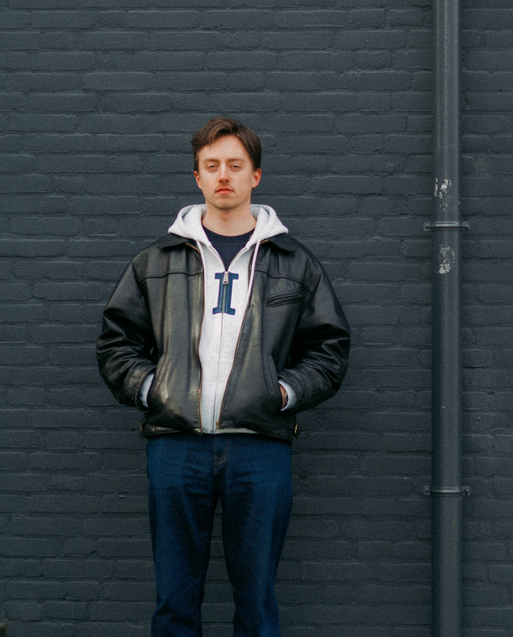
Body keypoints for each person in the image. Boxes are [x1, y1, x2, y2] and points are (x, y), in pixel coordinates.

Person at [96, 116, 350, 637]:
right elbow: (116, 343)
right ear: (197, 177)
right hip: (175, 446)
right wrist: (154, 389)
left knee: (256, 604)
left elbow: (329, 349)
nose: (223, 175)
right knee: (174, 603)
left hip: (260, 447)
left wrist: (283, 392)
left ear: (255, 175)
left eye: (235, 165)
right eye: (211, 166)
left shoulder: (294, 263)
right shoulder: (156, 261)